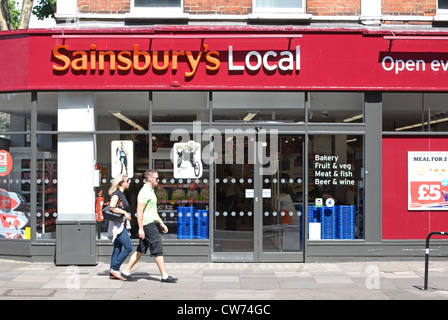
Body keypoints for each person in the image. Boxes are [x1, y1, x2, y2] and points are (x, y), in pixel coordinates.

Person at [123, 169, 177, 283]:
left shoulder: (150, 190)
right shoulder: (144, 192)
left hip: (150, 223)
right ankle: (164, 275)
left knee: (141, 250)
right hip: (147, 225)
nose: (158, 180)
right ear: (150, 179)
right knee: (157, 248)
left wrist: (161, 223)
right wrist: (141, 228)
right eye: (157, 178)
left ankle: (126, 271)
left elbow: (152, 210)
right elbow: (139, 210)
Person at [108, 174, 133, 281]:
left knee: (117, 249)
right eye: (128, 181)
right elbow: (112, 207)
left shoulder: (121, 193)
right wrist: (124, 213)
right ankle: (115, 268)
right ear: (121, 183)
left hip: (119, 224)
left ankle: (112, 273)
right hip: (117, 225)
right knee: (128, 247)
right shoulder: (117, 194)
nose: (129, 182)